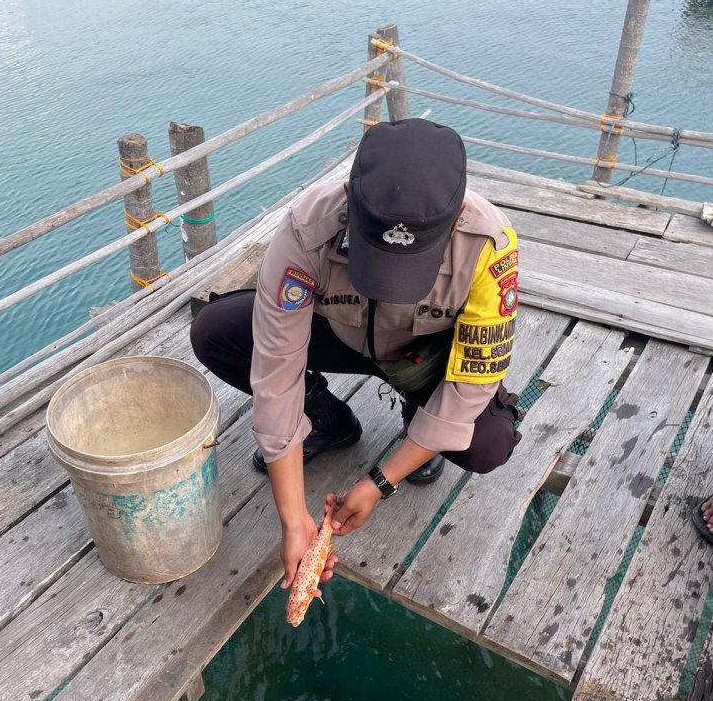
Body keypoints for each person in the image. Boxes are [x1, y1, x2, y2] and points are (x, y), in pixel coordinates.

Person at [191, 119, 521, 592]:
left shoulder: (491, 246)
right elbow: (276, 365)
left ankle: (417, 420)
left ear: (459, 216)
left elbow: (473, 380)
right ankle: (327, 420)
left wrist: (380, 482)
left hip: (423, 355)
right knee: (215, 332)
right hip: (340, 335)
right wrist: (292, 517)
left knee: (488, 442)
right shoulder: (307, 230)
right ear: (348, 194)